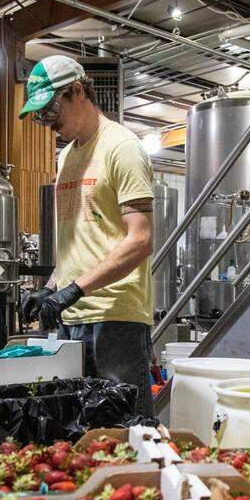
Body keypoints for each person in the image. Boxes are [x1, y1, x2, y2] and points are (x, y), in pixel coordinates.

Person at [19, 55, 156, 417]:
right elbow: (78, 241)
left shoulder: (122, 147)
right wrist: (51, 287)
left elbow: (140, 240)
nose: (48, 122)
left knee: (127, 426)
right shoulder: (66, 157)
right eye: (40, 116)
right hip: (72, 318)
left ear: (78, 92)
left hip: (116, 317)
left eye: (51, 110)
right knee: (80, 429)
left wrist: (73, 290)